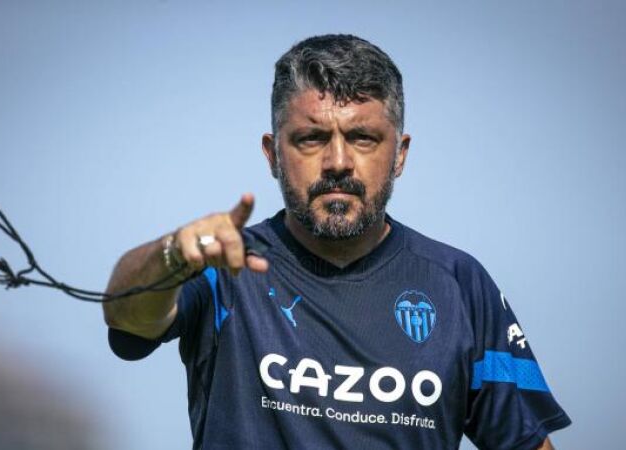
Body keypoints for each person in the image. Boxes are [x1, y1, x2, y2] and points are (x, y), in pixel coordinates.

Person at [103, 34, 571, 450]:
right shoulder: (223, 265)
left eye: (363, 137)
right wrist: (171, 254)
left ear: (400, 154)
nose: (338, 162)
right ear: (273, 154)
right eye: (311, 138)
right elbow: (125, 316)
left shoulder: (460, 284)